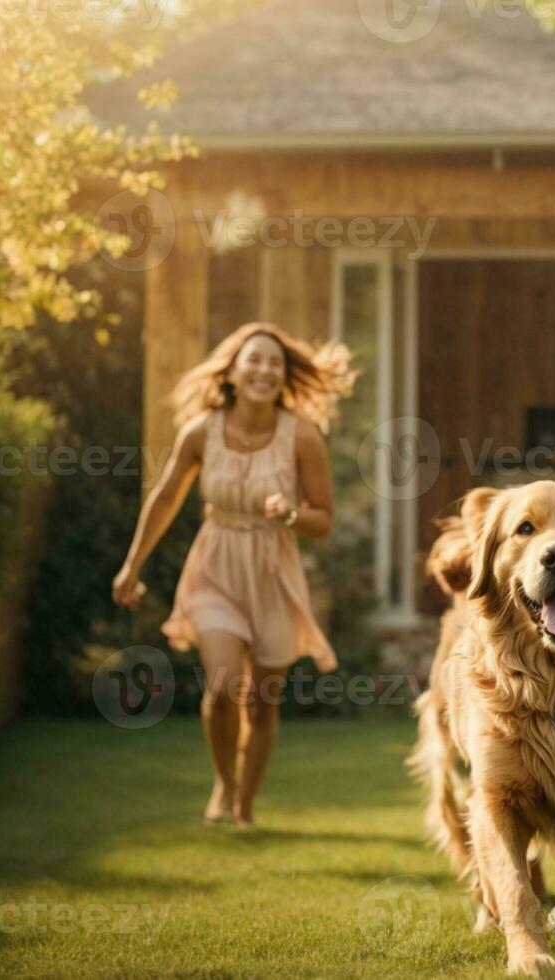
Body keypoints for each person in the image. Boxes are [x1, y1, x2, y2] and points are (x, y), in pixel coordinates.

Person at [112, 322, 355, 827]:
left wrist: (290, 513)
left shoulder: (302, 436)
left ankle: (245, 804)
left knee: (262, 701)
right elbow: (167, 497)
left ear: (284, 375)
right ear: (233, 370)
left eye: (274, 362)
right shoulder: (201, 431)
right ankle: (222, 785)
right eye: (254, 359)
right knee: (222, 684)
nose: (264, 370)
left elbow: (323, 520)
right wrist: (132, 565)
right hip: (216, 565)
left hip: (272, 571)